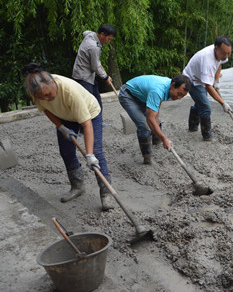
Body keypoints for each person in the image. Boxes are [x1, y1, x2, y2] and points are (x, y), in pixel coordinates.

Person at [22, 63, 115, 211]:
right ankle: (78, 186)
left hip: (90, 113)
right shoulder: (38, 93)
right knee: (66, 151)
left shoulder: (69, 91)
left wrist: (89, 154)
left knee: (97, 152)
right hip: (65, 116)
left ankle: (106, 193)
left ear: (52, 82)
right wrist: (61, 127)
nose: (47, 98)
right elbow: (46, 110)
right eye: (42, 97)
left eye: (47, 94)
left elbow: (87, 125)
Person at [118, 74, 191, 164]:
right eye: (179, 94)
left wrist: (156, 121)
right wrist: (165, 139)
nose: (179, 98)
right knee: (144, 126)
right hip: (128, 95)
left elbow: (156, 109)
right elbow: (150, 120)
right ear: (173, 85)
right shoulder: (158, 90)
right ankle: (147, 158)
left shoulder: (169, 88)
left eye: (182, 96)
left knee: (157, 122)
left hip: (142, 97)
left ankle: (156, 144)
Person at [183, 36, 233, 141]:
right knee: (205, 107)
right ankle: (207, 136)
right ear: (216, 49)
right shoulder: (207, 60)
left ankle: (192, 127)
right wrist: (223, 103)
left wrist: (216, 80)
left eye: (229, 53)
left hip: (201, 78)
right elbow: (208, 87)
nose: (226, 56)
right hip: (192, 80)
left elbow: (220, 63)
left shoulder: (221, 54)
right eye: (224, 53)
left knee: (200, 102)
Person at [72, 23, 116, 108]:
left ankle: (97, 121)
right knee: (90, 106)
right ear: (102, 34)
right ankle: (90, 121)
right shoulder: (94, 47)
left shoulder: (90, 35)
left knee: (97, 103)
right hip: (84, 78)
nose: (108, 41)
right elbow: (95, 66)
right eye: (108, 39)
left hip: (85, 75)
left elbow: (85, 32)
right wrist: (106, 77)